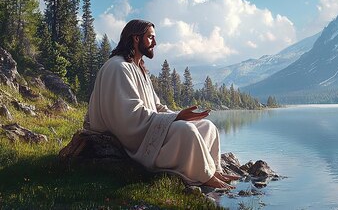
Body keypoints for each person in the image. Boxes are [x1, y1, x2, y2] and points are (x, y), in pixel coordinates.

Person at [84, 19, 238, 189]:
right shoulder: (118, 67)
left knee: (207, 127)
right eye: (150, 38)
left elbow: (156, 107)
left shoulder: (138, 68)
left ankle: (213, 170)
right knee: (186, 131)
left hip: (146, 128)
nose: (155, 43)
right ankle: (205, 177)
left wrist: (179, 116)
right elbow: (129, 117)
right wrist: (177, 119)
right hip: (133, 140)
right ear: (136, 38)